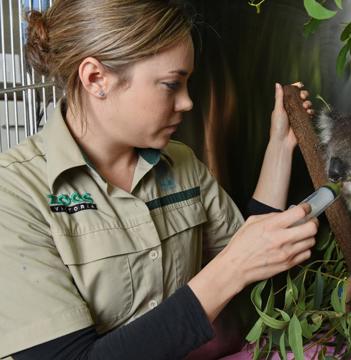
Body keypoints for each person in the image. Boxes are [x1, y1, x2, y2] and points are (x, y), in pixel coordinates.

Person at [0, 1, 318, 359]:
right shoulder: (13, 194)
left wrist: (280, 145)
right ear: (96, 79)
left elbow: (248, 251)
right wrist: (234, 267)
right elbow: (238, 262)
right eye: (171, 85)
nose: (187, 103)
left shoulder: (180, 162)